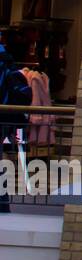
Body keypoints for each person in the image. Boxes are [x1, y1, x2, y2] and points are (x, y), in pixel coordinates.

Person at [0, 41, 33, 213]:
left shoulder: (9, 74)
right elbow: (24, 98)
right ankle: (2, 205)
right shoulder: (11, 72)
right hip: (5, 123)